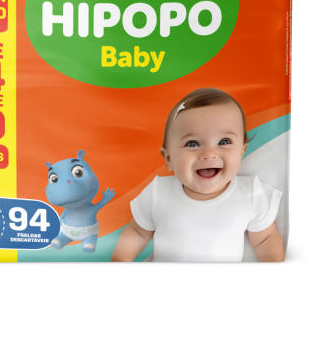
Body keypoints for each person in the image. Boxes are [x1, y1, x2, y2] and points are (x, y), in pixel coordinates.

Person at [111, 88, 285, 263]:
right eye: (193, 143)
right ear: (169, 159)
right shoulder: (158, 192)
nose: (209, 154)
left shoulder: (250, 194)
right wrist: (121, 259)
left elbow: (265, 238)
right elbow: (138, 231)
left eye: (224, 141)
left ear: (241, 152)